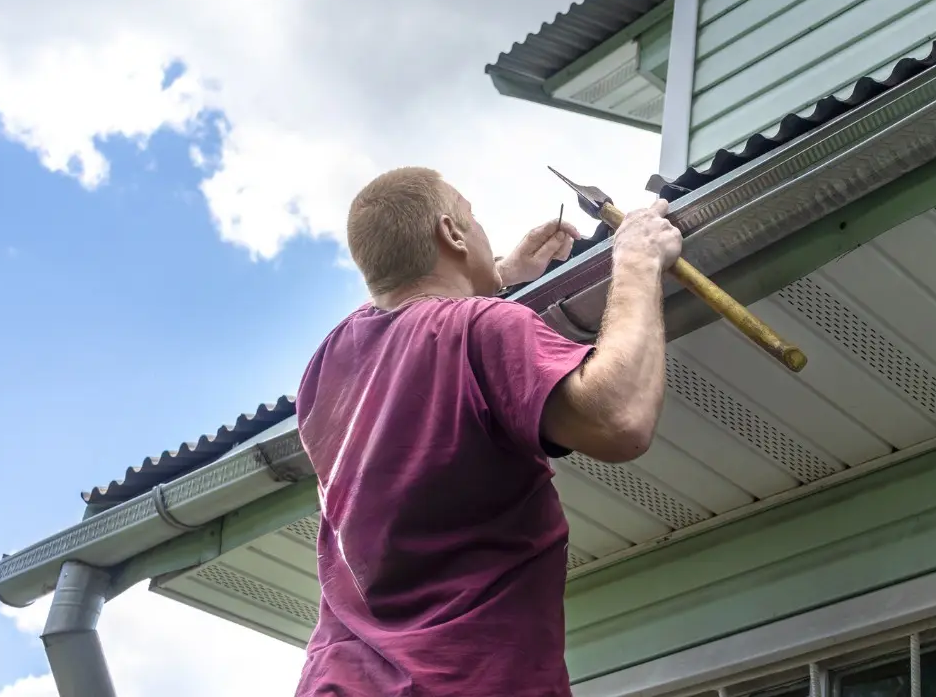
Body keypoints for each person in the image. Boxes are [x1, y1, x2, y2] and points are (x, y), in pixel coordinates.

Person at [292, 166, 682, 696]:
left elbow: (412, 319)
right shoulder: (482, 327)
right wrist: (637, 260)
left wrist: (497, 273)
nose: (481, 230)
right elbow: (618, 420)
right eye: (471, 220)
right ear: (451, 234)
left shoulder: (326, 366)